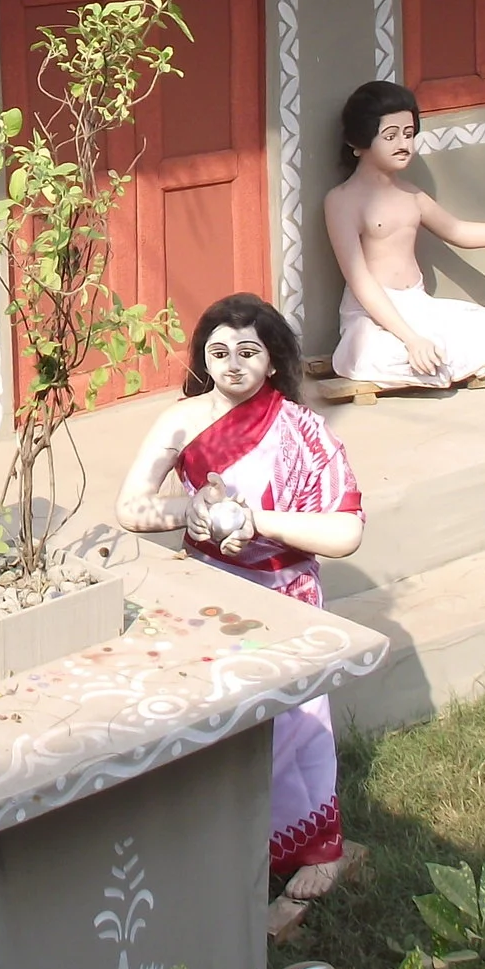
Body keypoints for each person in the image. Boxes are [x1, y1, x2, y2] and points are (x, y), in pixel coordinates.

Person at [117, 295, 366, 900]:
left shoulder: (302, 430)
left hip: (287, 594)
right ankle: (223, 842)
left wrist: (261, 521)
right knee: (215, 718)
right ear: (205, 358)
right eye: (220, 352)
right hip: (208, 597)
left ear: (274, 361)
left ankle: (314, 848)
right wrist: (189, 509)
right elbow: (130, 508)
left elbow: (346, 531)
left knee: (297, 721)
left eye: (248, 352)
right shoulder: (180, 421)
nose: (232, 365)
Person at [324, 81, 485, 387]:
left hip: (417, 305)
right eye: (390, 136)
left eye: (409, 134)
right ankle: (474, 358)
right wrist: (411, 339)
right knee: (375, 354)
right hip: (372, 313)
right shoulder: (341, 200)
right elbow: (360, 281)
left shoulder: (411, 194)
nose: (403, 144)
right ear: (358, 142)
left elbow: (458, 231)